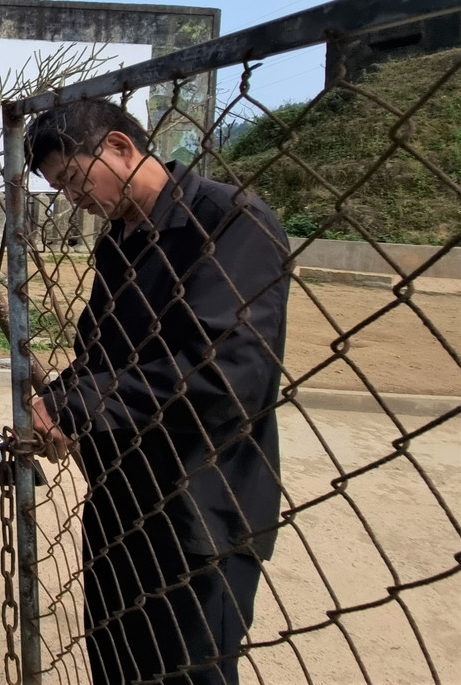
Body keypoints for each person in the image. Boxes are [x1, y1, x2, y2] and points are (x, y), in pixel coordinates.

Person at [25, 99, 288, 685]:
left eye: (74, 178)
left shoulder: (228, 220)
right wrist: (59, 402)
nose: (72, 198)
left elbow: (225, 373)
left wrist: (76, 404)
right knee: (116, 662)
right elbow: (101, 355)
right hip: (120, 497)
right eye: (60, 188)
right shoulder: (118, 240)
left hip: (198, 505)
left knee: (185, 670)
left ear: (120, 147)